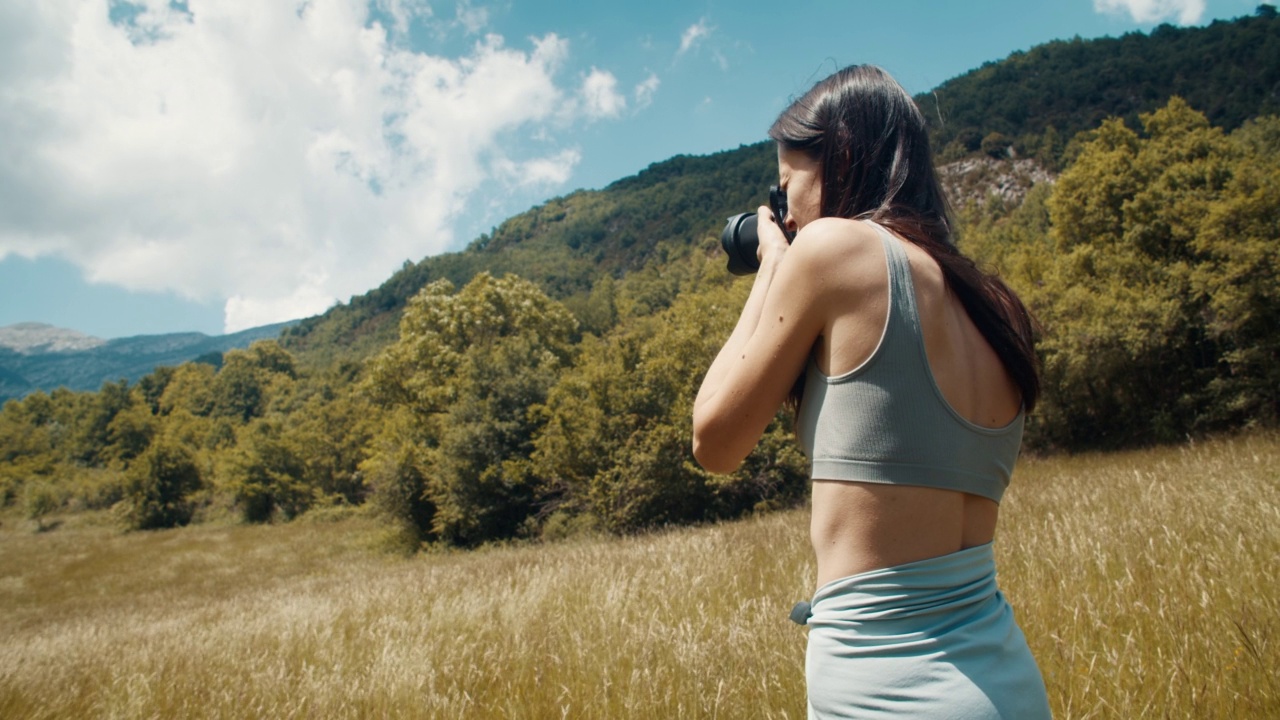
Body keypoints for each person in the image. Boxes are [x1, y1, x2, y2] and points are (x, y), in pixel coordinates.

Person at [691, 65, 1051, 719]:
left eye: (787, 182)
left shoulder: (835, 250)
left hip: (887, 686)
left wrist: (773, 265)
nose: (785, 206)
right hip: (1006, 680)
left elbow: (713, 440)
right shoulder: (998, 306)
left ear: (840, 161)